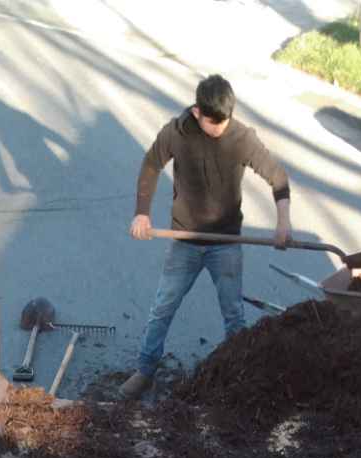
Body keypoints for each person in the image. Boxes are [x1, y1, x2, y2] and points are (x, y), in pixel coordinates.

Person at [120, 76, 292, 401]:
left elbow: (277, 177)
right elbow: (151, 164)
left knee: (234, 316)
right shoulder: (177, 132)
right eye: (215, 122)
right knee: (162, 307)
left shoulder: (241, 138)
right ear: (198, 112)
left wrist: (283, 221)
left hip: (225, 244)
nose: (222, 128)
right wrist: (142, 213)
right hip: (184, 240)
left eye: (226, 120)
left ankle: (236, 377)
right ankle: (145, 369)